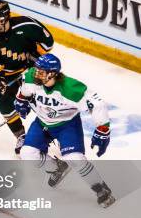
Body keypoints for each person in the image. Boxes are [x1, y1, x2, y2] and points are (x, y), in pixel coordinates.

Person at [14, 54, 115, 208]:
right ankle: (57, 168)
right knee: (27, 153)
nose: (36, 74)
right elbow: (25, 91)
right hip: (42, 123)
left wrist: (103, 129)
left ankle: (100, 188)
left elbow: (97, 104)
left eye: (41, 72)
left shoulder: (70, 88)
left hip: (67, 125)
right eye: (36, 70)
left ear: (52, 73)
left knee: (75, 158)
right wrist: (21, 100)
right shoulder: (31, 77)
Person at [0, 0, 54, 155]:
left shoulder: (26, 26)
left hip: (32, 69)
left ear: (6, 18)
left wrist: (36, 55)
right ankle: (21, 136)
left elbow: (48, 42)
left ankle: (54, 131)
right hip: (9, 74)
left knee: (43, 99)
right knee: (3, 102)